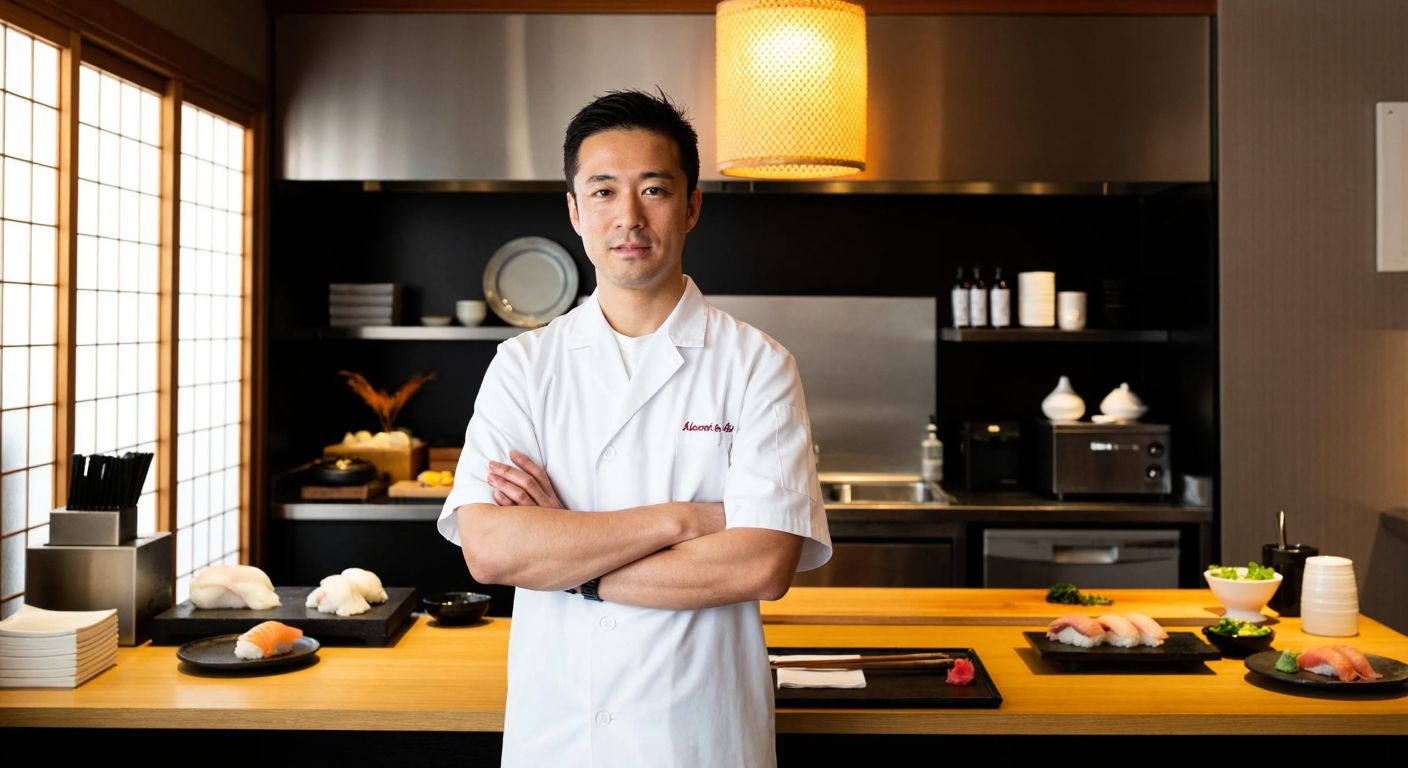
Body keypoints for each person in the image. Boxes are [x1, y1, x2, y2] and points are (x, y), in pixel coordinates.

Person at [436, 89, 832, 768]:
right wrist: (684, 520)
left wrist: (569, 564)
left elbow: (763, 564)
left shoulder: (757, 365)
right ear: (574, 210)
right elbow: (494, 552)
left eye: (654, 189)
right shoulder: (524, 366)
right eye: (603, 191)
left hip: (700, 737)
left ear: (692, 205)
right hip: (559, 735)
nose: (629, 217)